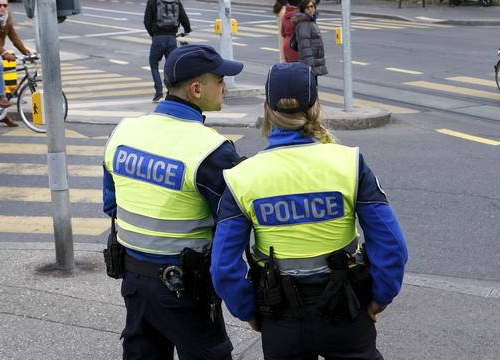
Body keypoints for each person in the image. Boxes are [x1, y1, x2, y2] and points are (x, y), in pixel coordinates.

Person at [211, 63, 408, 360]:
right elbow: (392, 246)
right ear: (316, 108)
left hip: (280, 317)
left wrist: (248, 311)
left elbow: (224, 267)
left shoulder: (243, 177)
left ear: (266, 109)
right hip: (346, 311)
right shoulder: (349, 164)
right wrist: (380, 297)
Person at [103, 44, 244, 360]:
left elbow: (111, 205)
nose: (225, 86)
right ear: (196, 89)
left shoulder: (124, 131)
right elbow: (233, 228)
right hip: (186, 290)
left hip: (134, 282)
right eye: (219, 79)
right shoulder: (211, 150)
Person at [144, 0, 192, 103]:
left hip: (158, 38)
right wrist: (187, 30)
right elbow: (184, 18)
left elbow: (147, 21)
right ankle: (171, 91)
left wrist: (153, 34)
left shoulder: (152, 1)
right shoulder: (176, 1)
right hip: (171, 38)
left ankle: (158, 91)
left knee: (154, 64)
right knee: (171, 65)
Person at [293, 0, 328, 83]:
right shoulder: (305, 23)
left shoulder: (310, 21)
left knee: (313, 86)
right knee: (311, 86)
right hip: (310, 63)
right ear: (303, 9)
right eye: (307, 7)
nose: (310, 9)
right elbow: (305, 45)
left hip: (314, 60)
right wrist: (310, 64)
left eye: (312, 6)